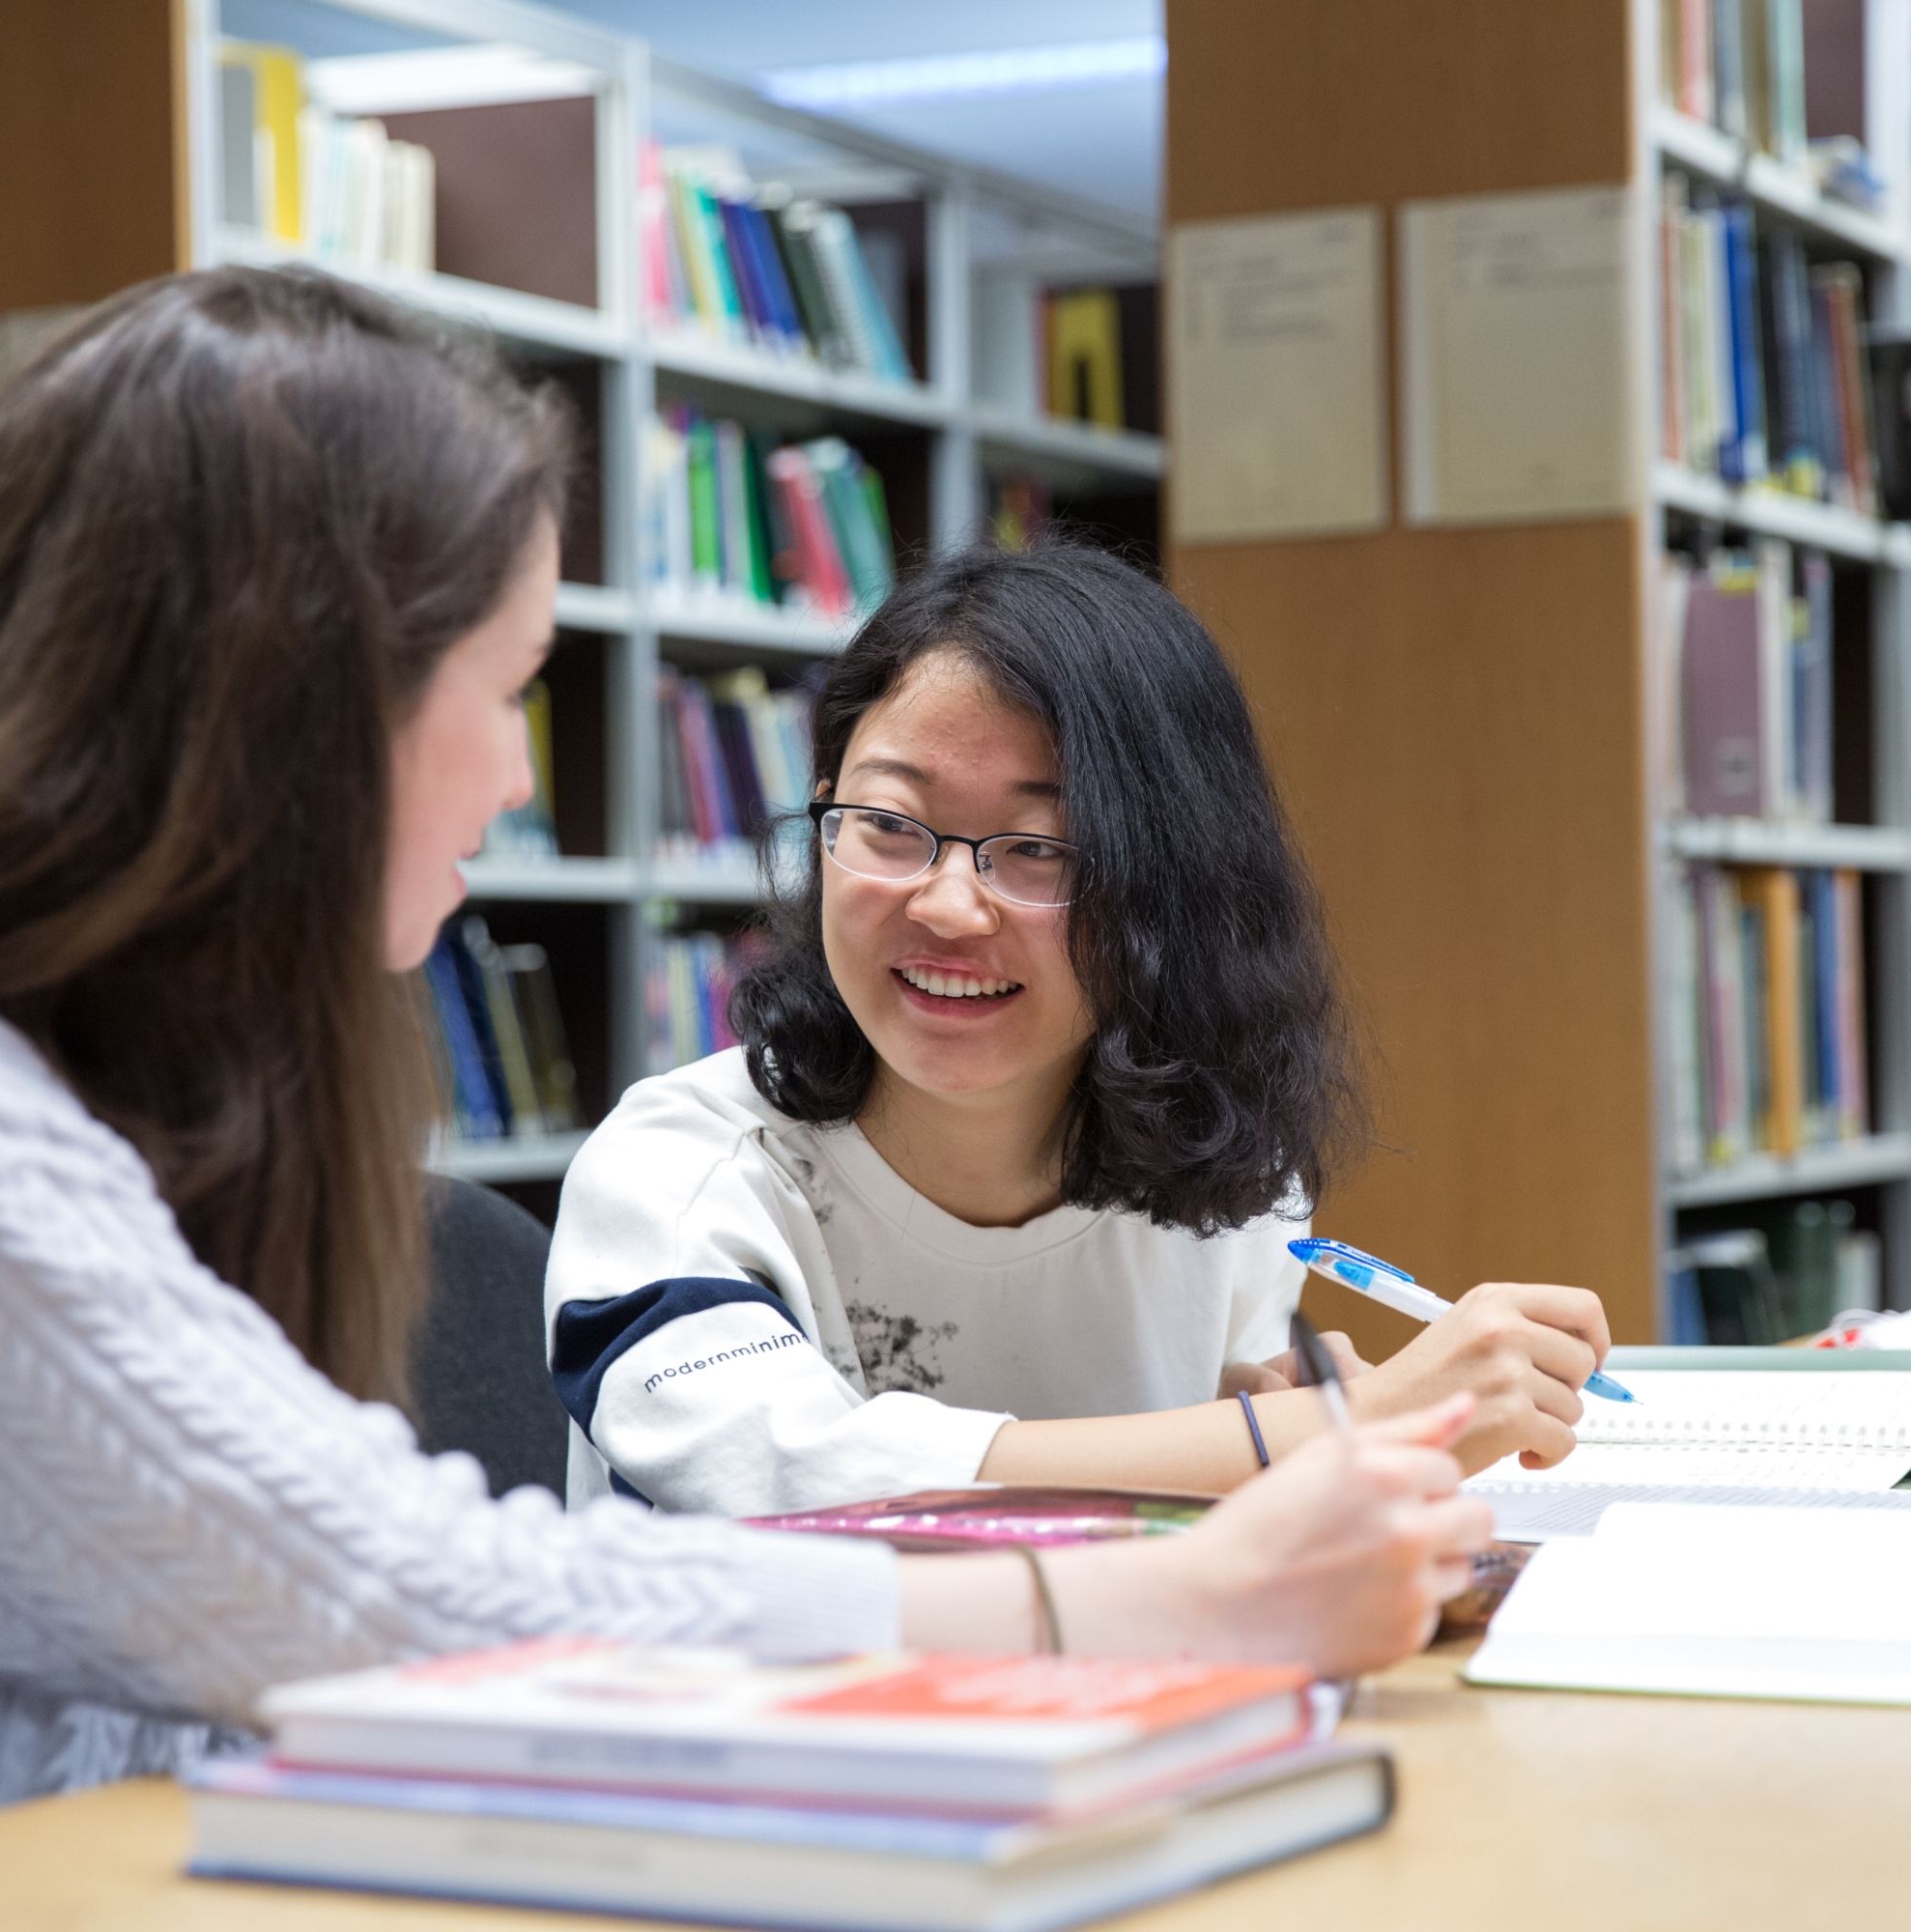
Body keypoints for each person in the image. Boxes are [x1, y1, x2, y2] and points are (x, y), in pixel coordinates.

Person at [0, 266, 1492, 1873]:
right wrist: (1171, 1599)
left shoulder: (95, 1096)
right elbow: (413, 1602)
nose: (512, 780)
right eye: (505, 690)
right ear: (302, 712)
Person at [546, 543, 1616, 1520]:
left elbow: (1202, 1541)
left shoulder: (1231, 1186)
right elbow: (792, 1485)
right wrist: (1324, 1433)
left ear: (1173, 887)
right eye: (887, 823)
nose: (951, 906)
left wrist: (1271, 1434)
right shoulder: (676, 1174)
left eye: (1040, 849)